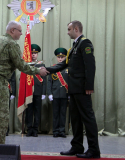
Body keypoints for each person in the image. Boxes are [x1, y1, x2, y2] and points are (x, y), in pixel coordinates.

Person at [0, 21, 49, 144]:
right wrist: (38, 71)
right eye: (20, 31)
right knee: (1, 116)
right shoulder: (11, 44)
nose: (21, 34)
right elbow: (21, 66)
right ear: (12, 31)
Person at [46, 20, 100, 158]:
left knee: (88, 118)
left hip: (82, 89)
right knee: (75, 118)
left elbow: (90, 66)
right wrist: (45, 70)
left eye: (69, 29)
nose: (67, 32)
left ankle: (94, 150)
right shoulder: (74, 46)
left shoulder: (85, 43)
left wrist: (89, 86)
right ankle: (77, 147)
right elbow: (63, 65)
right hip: (74, 88)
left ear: (76, 29)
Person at [25, 44, 47, 137]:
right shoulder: (26, 64)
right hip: (29, 91)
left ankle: (35, 129)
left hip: (38, 91)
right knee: (29, 111)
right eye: (32, 53)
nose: (33, 55)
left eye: (35, 53)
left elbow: (45, 79)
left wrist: (43, 92)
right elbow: (22, 79)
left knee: (37, 111)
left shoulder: (41, 65)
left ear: (37, 54)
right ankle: (29, 129)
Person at [47, 48, 68, 138]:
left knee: (63, 113)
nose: (60, 59)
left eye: (62, 57)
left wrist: (70, 93)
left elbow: (70, 81)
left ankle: (62, 131)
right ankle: (55, 131)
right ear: (56, 58)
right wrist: (50, 93)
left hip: (64, 93)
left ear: (65, 58)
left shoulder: (68, 68)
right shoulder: (53, 68)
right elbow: (49, 82)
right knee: (55, 114)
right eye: (59, 57)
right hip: (55, 94)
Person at [6, 71, 16, 136]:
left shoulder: (11, 68)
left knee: (6, 111)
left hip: (7, 91)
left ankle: (6, 130)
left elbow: (13, 81)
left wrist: (13, 93)